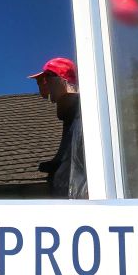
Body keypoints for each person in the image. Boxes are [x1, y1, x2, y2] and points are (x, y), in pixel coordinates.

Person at [31, 57, 88, 200]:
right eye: (40, 81)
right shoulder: (69, 116)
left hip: (79, 205)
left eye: (46, 78)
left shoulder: (84, 114)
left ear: (61, 79)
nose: (43, 85)